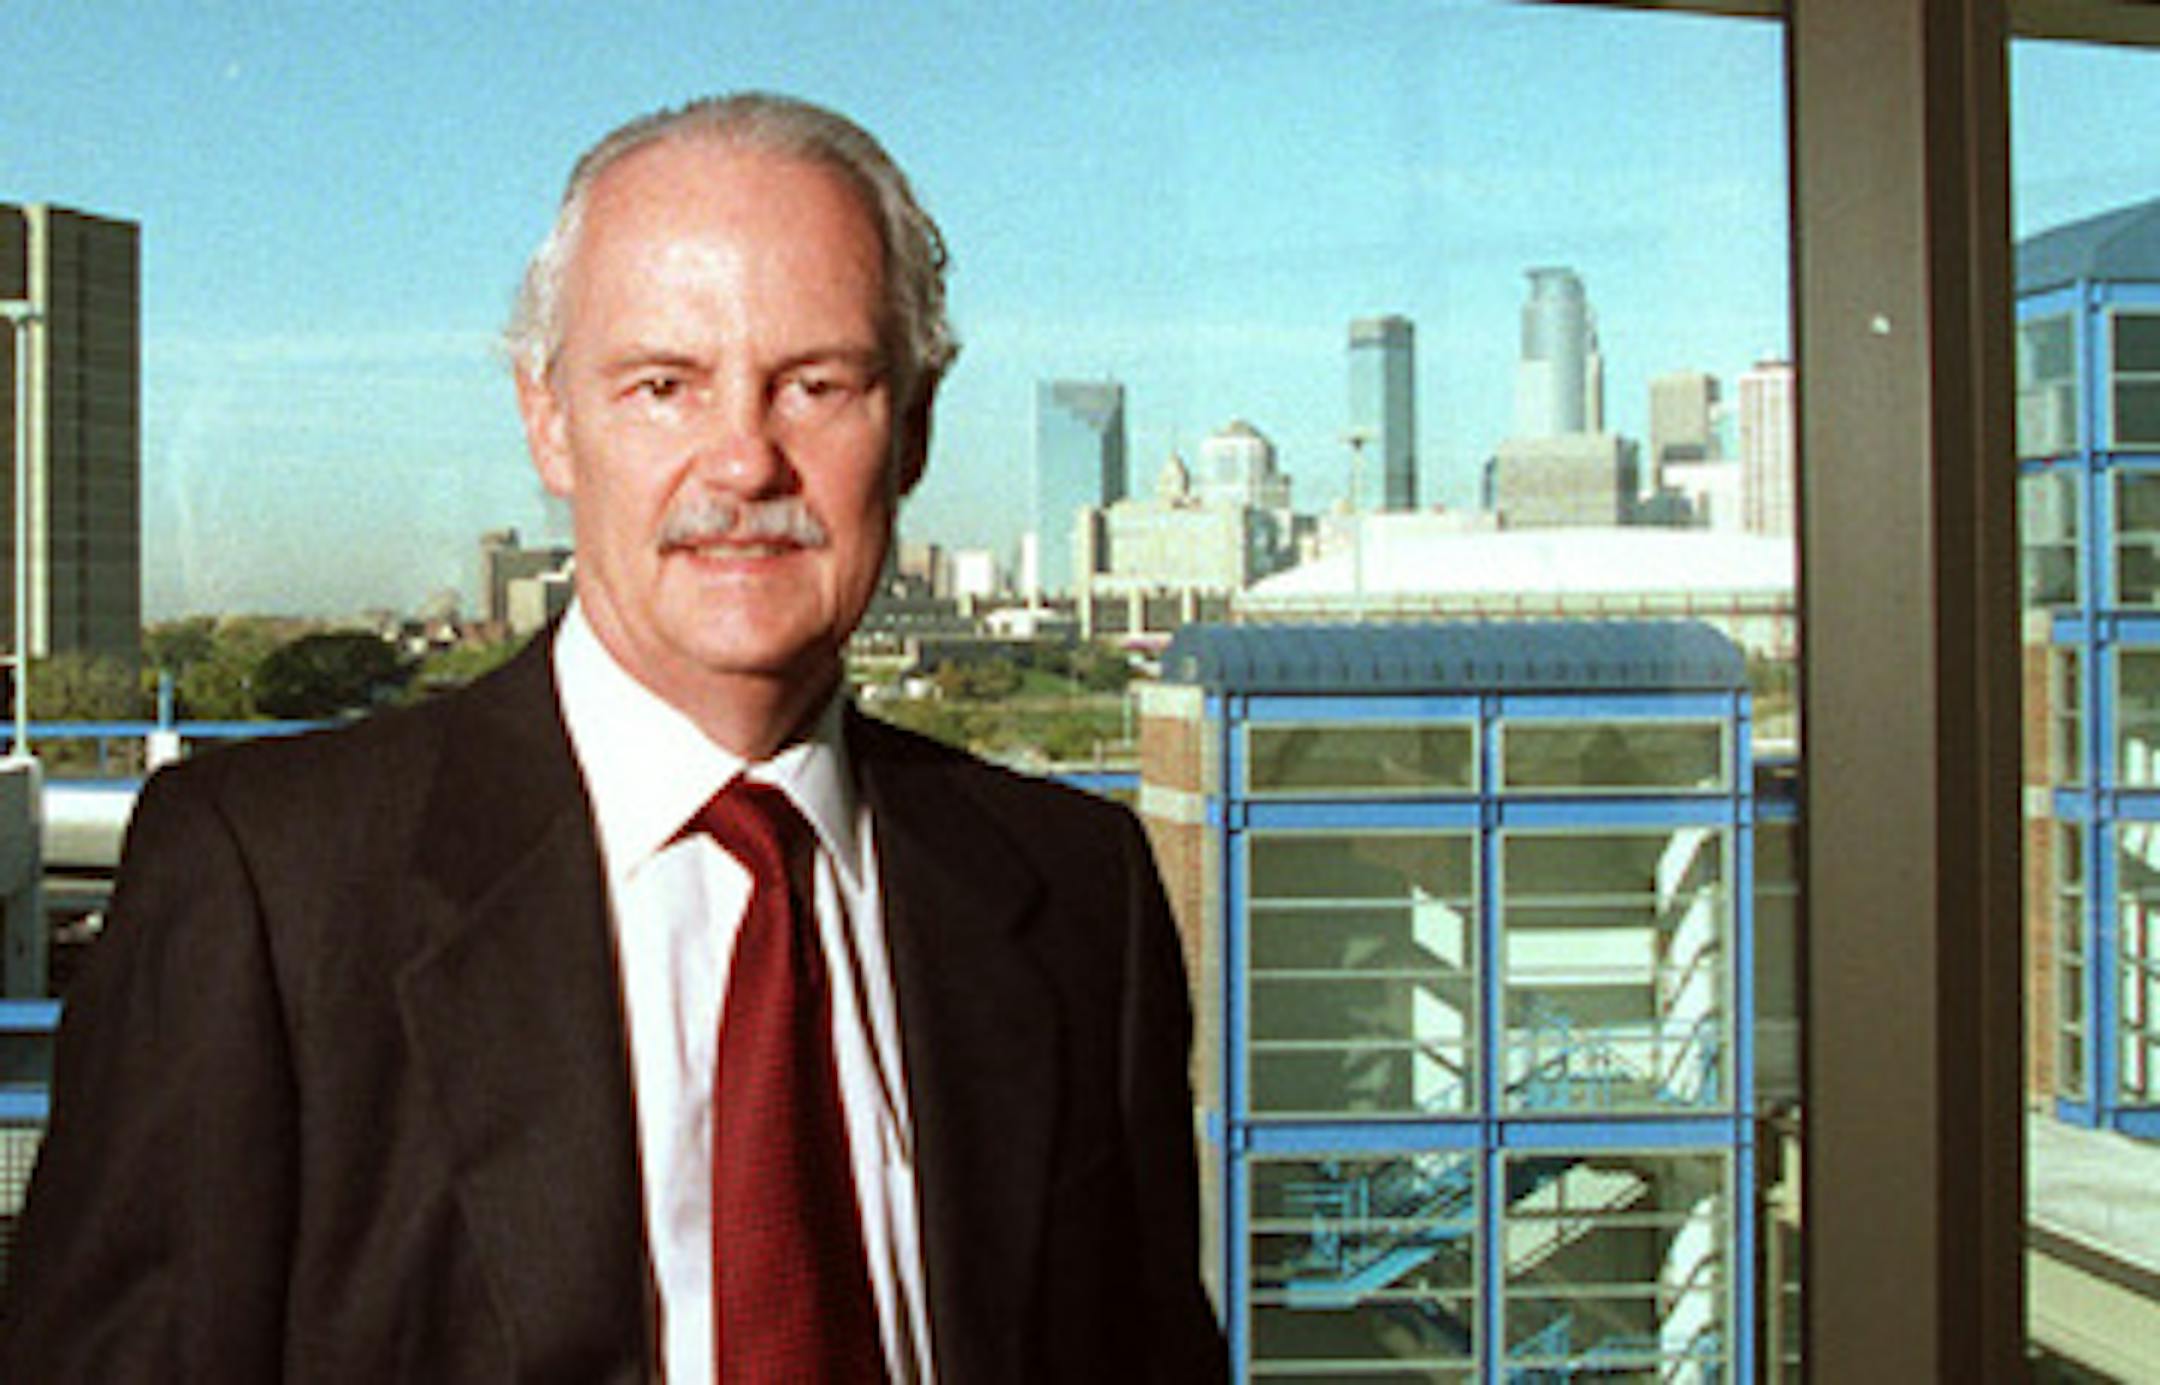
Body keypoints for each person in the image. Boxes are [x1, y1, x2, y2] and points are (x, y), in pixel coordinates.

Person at [0, 93, 1226, 1383]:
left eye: (817, 384)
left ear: (912, 426)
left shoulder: (1083, 895)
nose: (743, 462)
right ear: (548, 420)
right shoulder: (272, 888)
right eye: (663, 386)